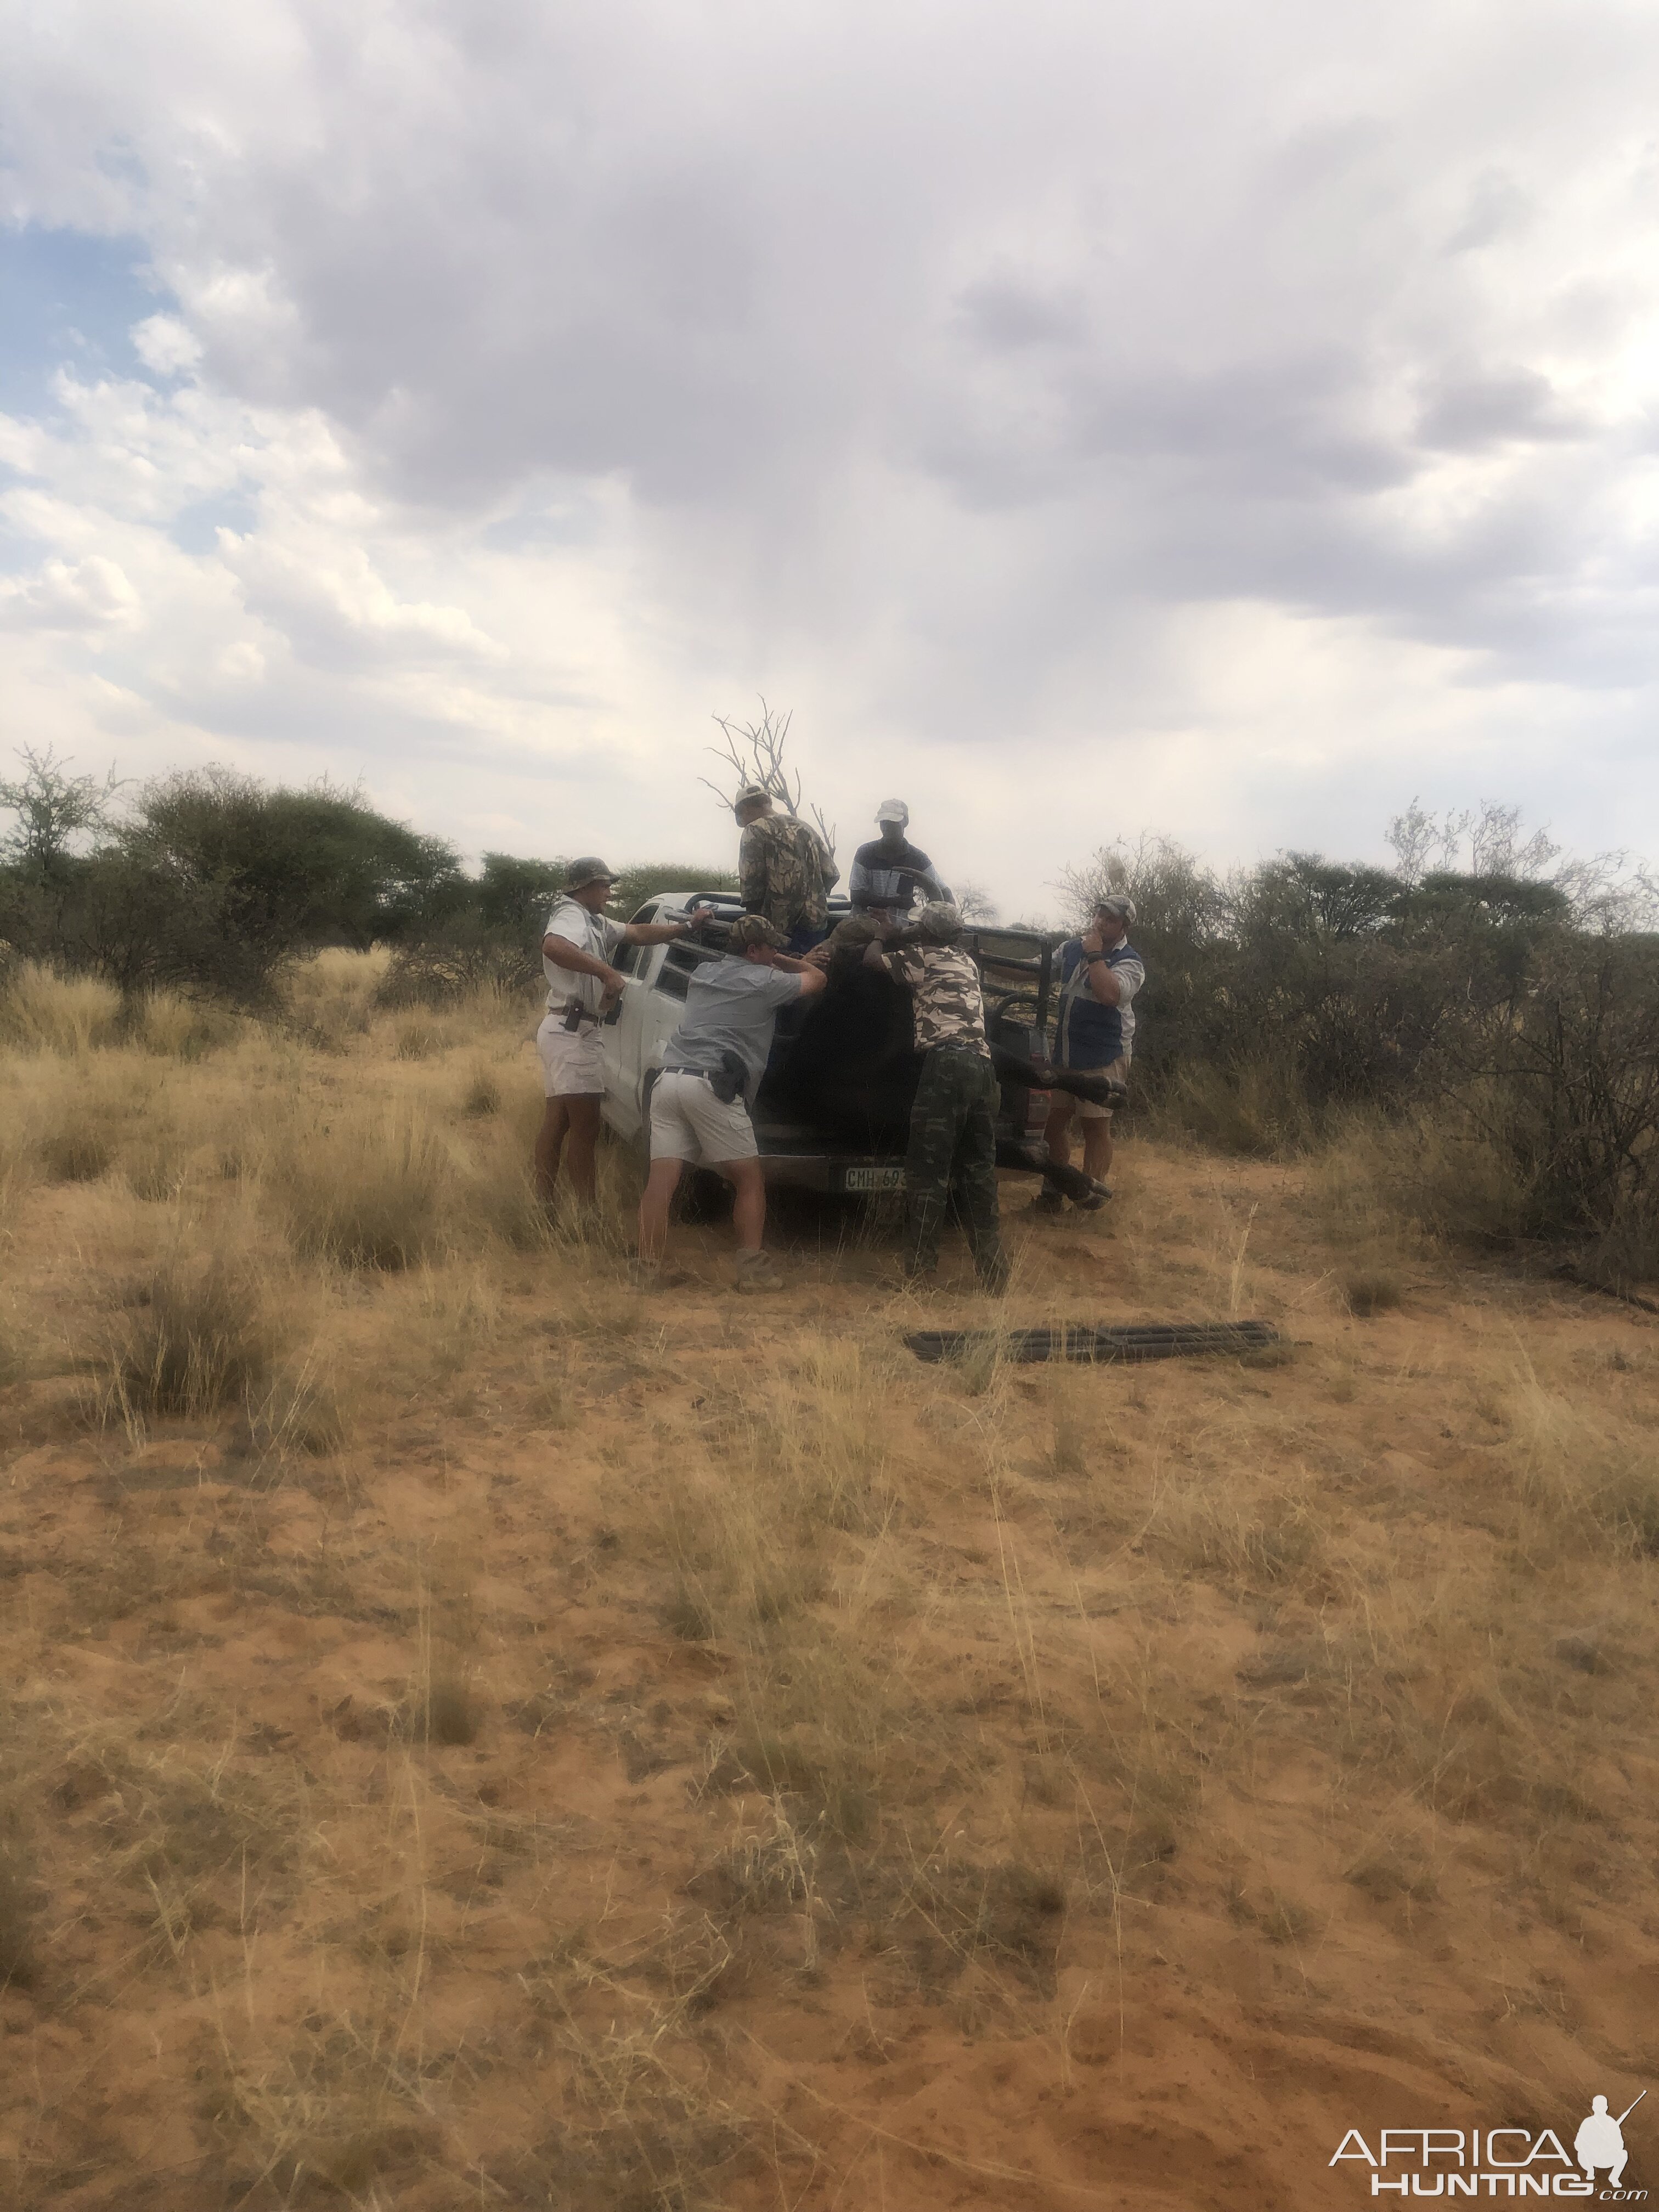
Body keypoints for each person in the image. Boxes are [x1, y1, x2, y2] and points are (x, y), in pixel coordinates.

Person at [637, 914, 828, 1289]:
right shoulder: (767, 980)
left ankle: (645, 1270)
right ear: (754, 950)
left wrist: (772, 959)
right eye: (771, 946)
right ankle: (753, 1273)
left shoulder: (704, 973)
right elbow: (818, 980)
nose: (776, 951)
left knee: (661, 1181)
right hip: (712, 1085)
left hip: (670, 1078)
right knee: (749, 1180)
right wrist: (789, 960)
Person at [534, 858, 698, 1210]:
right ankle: (587, 1213)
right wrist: (608, 973)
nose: (609, 893)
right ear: (585, 888)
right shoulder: (571, 916)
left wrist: (684, 930)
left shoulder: (592, 920)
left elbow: (638, 933)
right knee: (584, 1127)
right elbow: (553, 947)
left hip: (567, 1026)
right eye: (604, 886)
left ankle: (545, 1205)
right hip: (573, 1030)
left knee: (560, 1121)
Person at [865, 901, 1008, 1293]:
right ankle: (995, 1275)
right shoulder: (966, 961)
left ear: (925, 933)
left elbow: (872, 962)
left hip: (946, 1066)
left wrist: (882, 935)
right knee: (979, 1172)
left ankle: (920, 1274)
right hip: (983, 1068)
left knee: (928, 1172)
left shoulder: (922, 957)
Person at [1035, 894, 1143, 1214]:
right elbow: (1034, 972)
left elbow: (1110, 994)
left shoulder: (1130, 962)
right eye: (1100, 915)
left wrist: (1095, 956)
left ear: (1124, 926)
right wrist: (981, 957)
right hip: (1066, 1055)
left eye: (1110, 919)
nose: (1101, 922)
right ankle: (1052, 1194)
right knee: (1052, 1124)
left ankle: (1089, 1202)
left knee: (1095, 1128)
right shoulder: (1070, 948)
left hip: (1105, 1056)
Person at [735, 784, 838, 953]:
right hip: (815, 924)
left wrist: (755, 928)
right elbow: (831, 874)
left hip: (778, 930)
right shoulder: (804, 826)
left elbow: (751, 888)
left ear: (745, 809)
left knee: (780, 977)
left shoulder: (754, 830)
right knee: (811, 975)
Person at [848, 799, 952, 918]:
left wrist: (950, 918)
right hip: (864, 925)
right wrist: (898, 902)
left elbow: (943, 891)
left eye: (893, 823)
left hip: (900, 929)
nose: (887, 828)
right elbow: (856, 896)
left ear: (906, 822)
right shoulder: (865, 853)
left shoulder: (918, 859)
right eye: (884, 823)